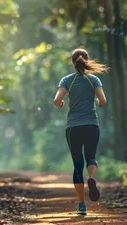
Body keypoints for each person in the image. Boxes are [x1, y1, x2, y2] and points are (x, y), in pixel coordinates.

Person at [53, 48, 108, 216]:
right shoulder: (93, 80)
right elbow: (103, 102)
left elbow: (57, 100)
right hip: (92, 125)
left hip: (73, 127)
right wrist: (98, 101)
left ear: (73, 62)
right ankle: (91, 178)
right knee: (90, 157)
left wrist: (62, 104)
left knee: (77, 165)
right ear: (87, 60)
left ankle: (82, 205)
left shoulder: (67, 80)